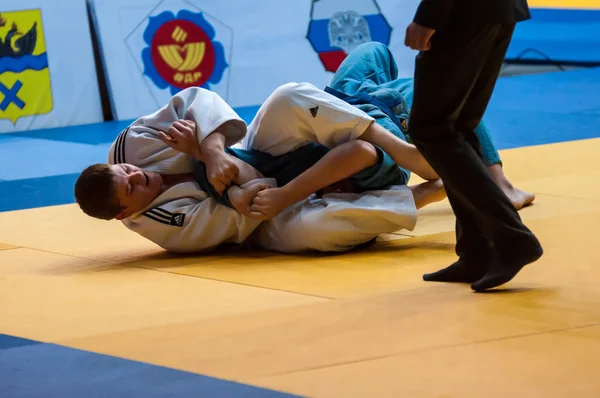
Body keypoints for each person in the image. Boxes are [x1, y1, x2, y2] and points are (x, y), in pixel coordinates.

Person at [74, 84, 444, 254]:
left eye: (126, 170)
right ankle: (421, 195)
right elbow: (255, 203)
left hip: (251, 150)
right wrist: (215, 166)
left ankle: (401, 149)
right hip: (265, 222)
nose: (137, 174)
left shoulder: (130, 145)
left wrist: (213, 149)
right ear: (126, 212)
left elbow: (198, 99)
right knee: (312, 231)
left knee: (286, 97)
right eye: (132, 187)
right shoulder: (169, 227)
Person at [247, 42, 534, 220]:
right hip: (380, 142)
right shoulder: (286, 214)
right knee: (443, 95)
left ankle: (378, 96)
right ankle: (500, 184)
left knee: (374, 51)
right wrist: (285, 195)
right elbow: (359, 153)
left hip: (346, 105)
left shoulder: (239, 159)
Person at [403, 0, 543, 291]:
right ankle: (477, 251)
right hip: (497, 9)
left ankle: (512, 237)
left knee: (432, 127)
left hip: (464, 12)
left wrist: (429, 15)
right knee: (458, 126)